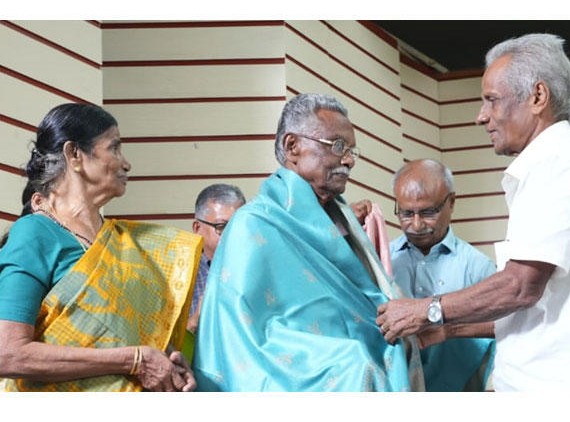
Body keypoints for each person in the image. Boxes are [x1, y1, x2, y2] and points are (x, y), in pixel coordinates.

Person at [376, 33, 570, 391]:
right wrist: (447, 329)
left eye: (491, 101)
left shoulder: (560, 163)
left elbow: (520, 287)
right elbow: (534, 304)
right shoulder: (557, 163)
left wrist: (425, 310)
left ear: (537, 97)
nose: (481, 117)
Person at [193, 93, 423, 391]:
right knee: (355, 365)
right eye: (338, 146)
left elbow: (363, 300)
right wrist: (342, 357)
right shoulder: (252, 224)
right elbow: (240, 335)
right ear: (293, 147)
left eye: (353, 150)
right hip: (303, 373)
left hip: (371, 350)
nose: (349, 160)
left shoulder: (342, 219)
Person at [0, 103, 202, 392]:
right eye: (114, 148)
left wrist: (169, 368)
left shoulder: (123, 243)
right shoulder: (36, 233)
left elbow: (141, 342)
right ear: (74, 154)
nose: (126, 163)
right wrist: (134, 360)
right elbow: (7, 354)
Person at [389, 159, 496, 391]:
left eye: (428, 213)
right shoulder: (382, 260)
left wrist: (449, 329)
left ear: (452, 202)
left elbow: (506, 324)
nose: (416, 225)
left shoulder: (478, 267)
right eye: (406, 213)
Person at [186, 184, 246, 333]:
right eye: (222, 226)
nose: (233, 234)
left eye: (239, 225)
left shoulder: (258, 267)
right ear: (197, 229)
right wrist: (195, 321)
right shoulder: (179, 275)